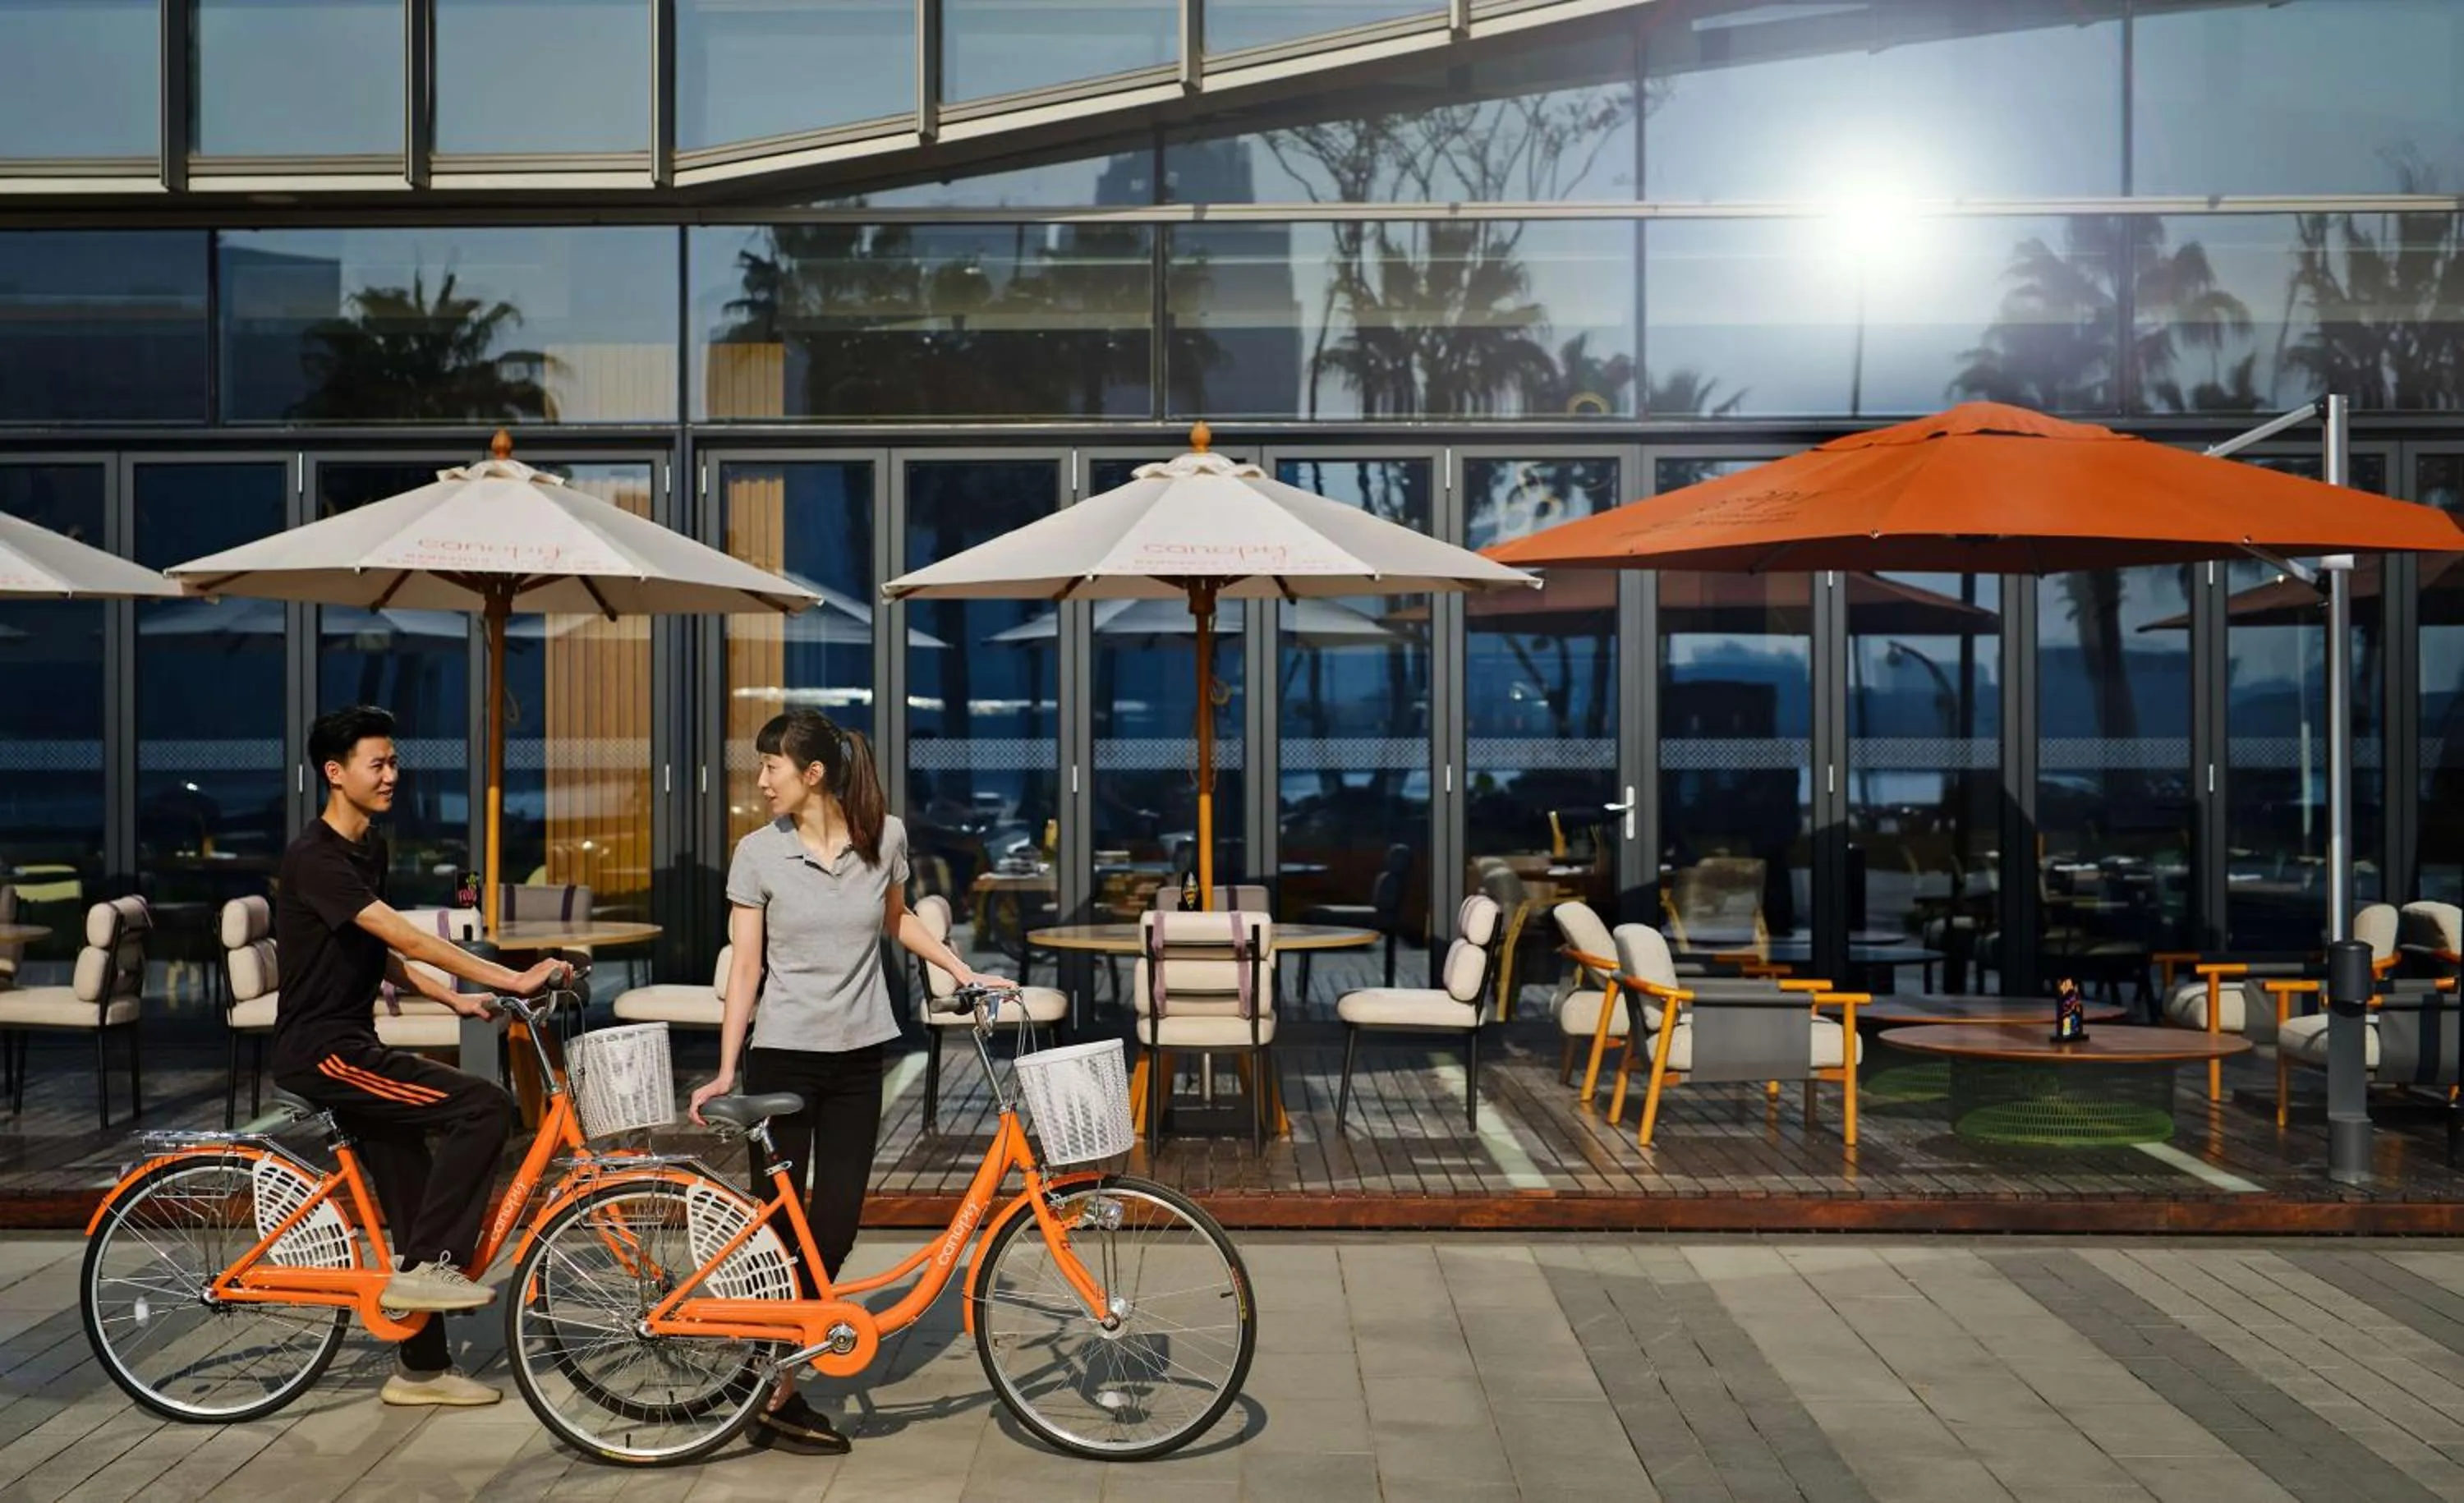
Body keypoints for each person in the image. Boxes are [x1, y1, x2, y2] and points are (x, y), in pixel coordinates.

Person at [689, 709, 1009, 1455]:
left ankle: (766, 1371)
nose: (760, 780)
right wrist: (729, 1067)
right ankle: (777, 1387)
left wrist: (961, 971)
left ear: (814, 774)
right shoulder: (756, 854)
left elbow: (899, 921)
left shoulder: (885, 837)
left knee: (833, 1227)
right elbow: (746, 967)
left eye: (770, 767)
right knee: (777, 1230)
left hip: (861, 1058)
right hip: (783, 1061)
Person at [272, 705, 571, 1408]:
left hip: (355, 1044)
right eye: (377, 764)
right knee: (485, 1104)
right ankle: (431, 1269)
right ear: (334, 773)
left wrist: (453, 1000)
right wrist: (507, 978)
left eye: (394, 762)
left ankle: (422, 1370)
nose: (391, 775)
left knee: (413, 1193)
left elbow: (376, 953)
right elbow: (400, 935)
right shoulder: (314, 856)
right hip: (322, 1051)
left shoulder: (367, 847)